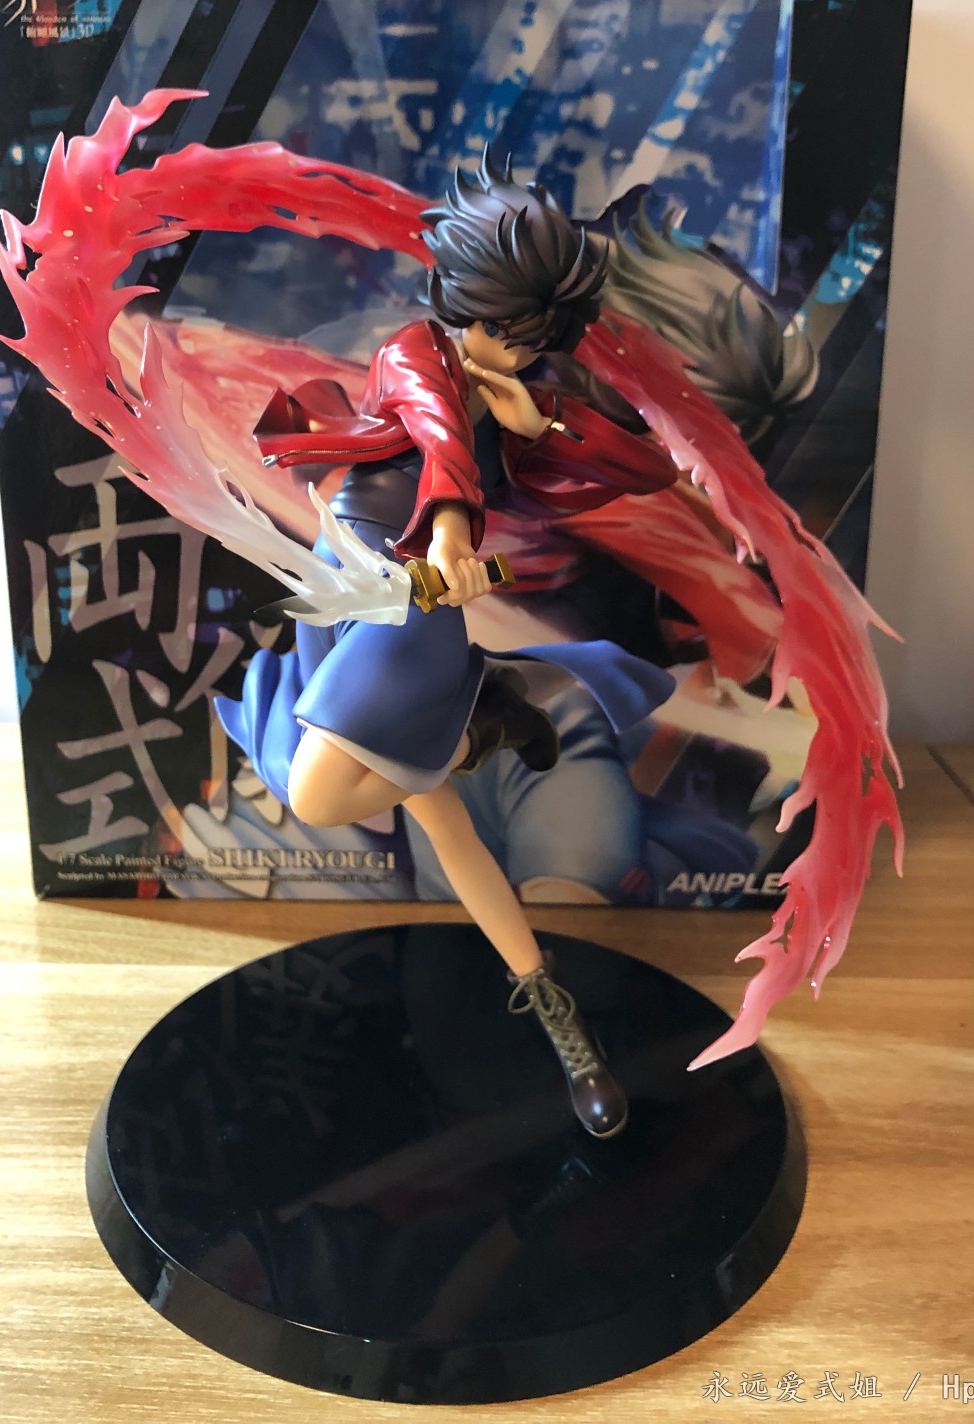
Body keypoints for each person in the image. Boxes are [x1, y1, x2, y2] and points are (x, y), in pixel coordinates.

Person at [217, 151, 683, 1138]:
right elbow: (439, 444)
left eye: (531, 336)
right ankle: (554, 1009)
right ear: (461, 296)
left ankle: (478, 729)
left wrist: (542, 416)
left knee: (316, 795)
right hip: (359, 587)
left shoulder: (523, 389)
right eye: (500, 327)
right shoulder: (413, 352)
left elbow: (645, 469)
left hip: (410, 611)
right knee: (446, 825)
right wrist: (452, 534)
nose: (510, 348)